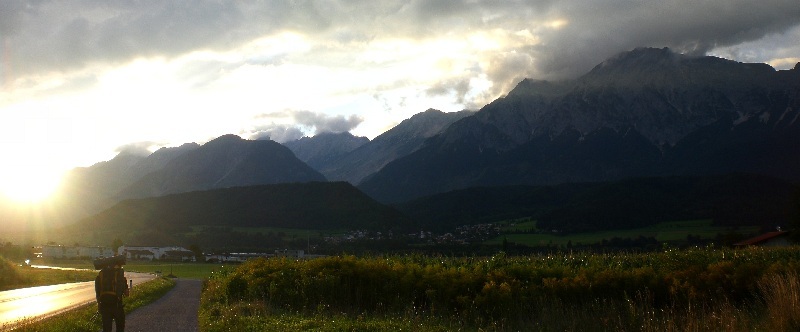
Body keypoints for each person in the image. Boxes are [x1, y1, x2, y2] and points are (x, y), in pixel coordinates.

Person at [95, 263, 129, 332]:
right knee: (120, 328)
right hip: (117, 305)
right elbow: (126, 294)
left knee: (106, 329)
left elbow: (98, 293)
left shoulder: (100, 276)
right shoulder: (120, 277)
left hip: (104, 305)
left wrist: (99, 305)